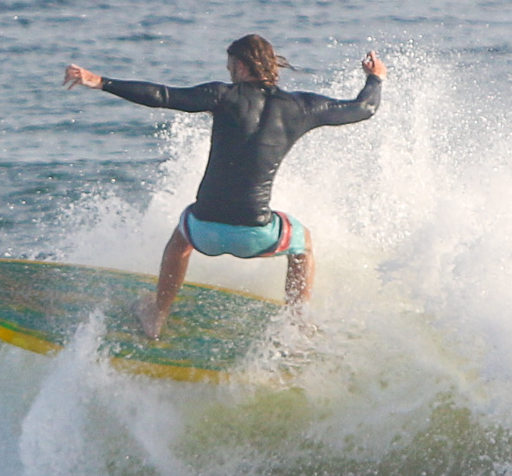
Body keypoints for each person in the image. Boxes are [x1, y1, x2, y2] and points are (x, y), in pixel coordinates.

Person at [65, 34, 386, 338]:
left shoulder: (222, 95)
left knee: (180, 238)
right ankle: (297, 324)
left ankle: (157, 316)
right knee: (303, 245)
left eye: (231, 65)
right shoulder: (301, 107)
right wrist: (375, 78)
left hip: (203, 231)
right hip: (256, 236)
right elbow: (364, 109)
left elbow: (162, 96)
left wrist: (100, 81)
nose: (228, 72)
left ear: (243, 67)